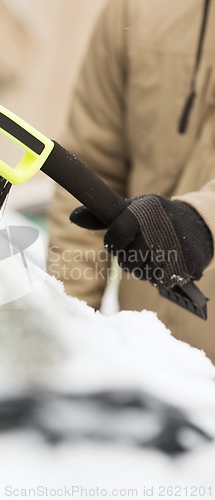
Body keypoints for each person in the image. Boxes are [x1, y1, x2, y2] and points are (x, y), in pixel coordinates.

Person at [47, 0, 215, 362]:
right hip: (144, 361)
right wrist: (68, 333)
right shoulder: (135, 10)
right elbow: (89, 176)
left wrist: (204, 219)